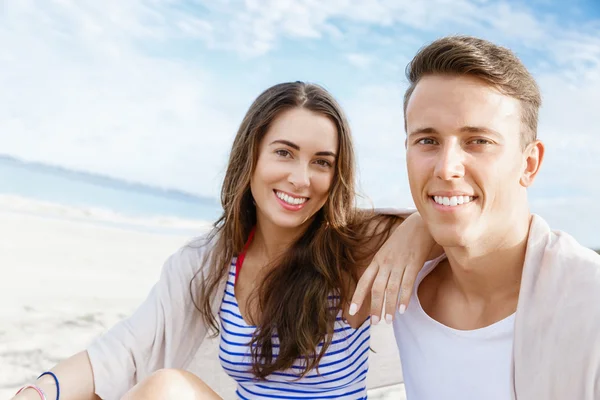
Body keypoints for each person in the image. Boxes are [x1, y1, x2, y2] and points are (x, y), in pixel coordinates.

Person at [12, 82, 437, 400]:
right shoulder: (212, 260)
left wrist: (419, 226)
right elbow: (125, 348)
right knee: (165, 389)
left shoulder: (352, 246)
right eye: (284, 152)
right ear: (250, 154)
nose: (300, 178)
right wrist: (38, 391)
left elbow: (470, 232)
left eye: (321, 162)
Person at [387, 35, 600, 399]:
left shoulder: (589, 306)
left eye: (478, 141)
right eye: (427, 140)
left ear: (529, 164)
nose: (447, 167)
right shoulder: (398, 287)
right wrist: (416, 223)